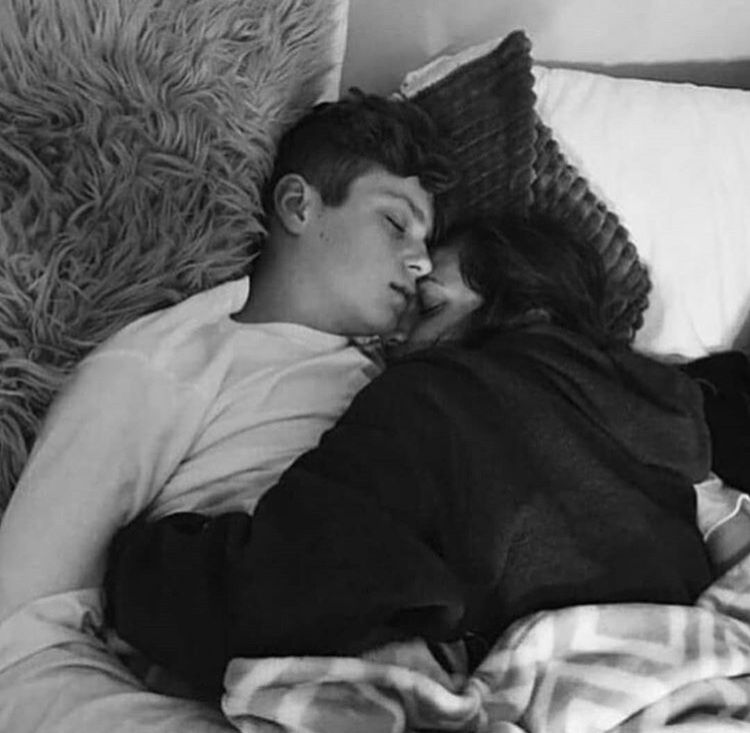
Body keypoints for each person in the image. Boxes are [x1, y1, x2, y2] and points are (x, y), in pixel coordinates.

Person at [105, 214, 718, 698]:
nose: (398, 339)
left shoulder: (440, 394)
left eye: (429, 308)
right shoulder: (663, 414)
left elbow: (292, 586)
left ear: (527, 304)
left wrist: (144, 565)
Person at [0, 91, 455, 733]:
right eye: (394, 223)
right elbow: (22, 635)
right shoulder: (169, 363)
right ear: (298, 205)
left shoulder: (417, 379)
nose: (422, 262)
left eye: (427, 241)